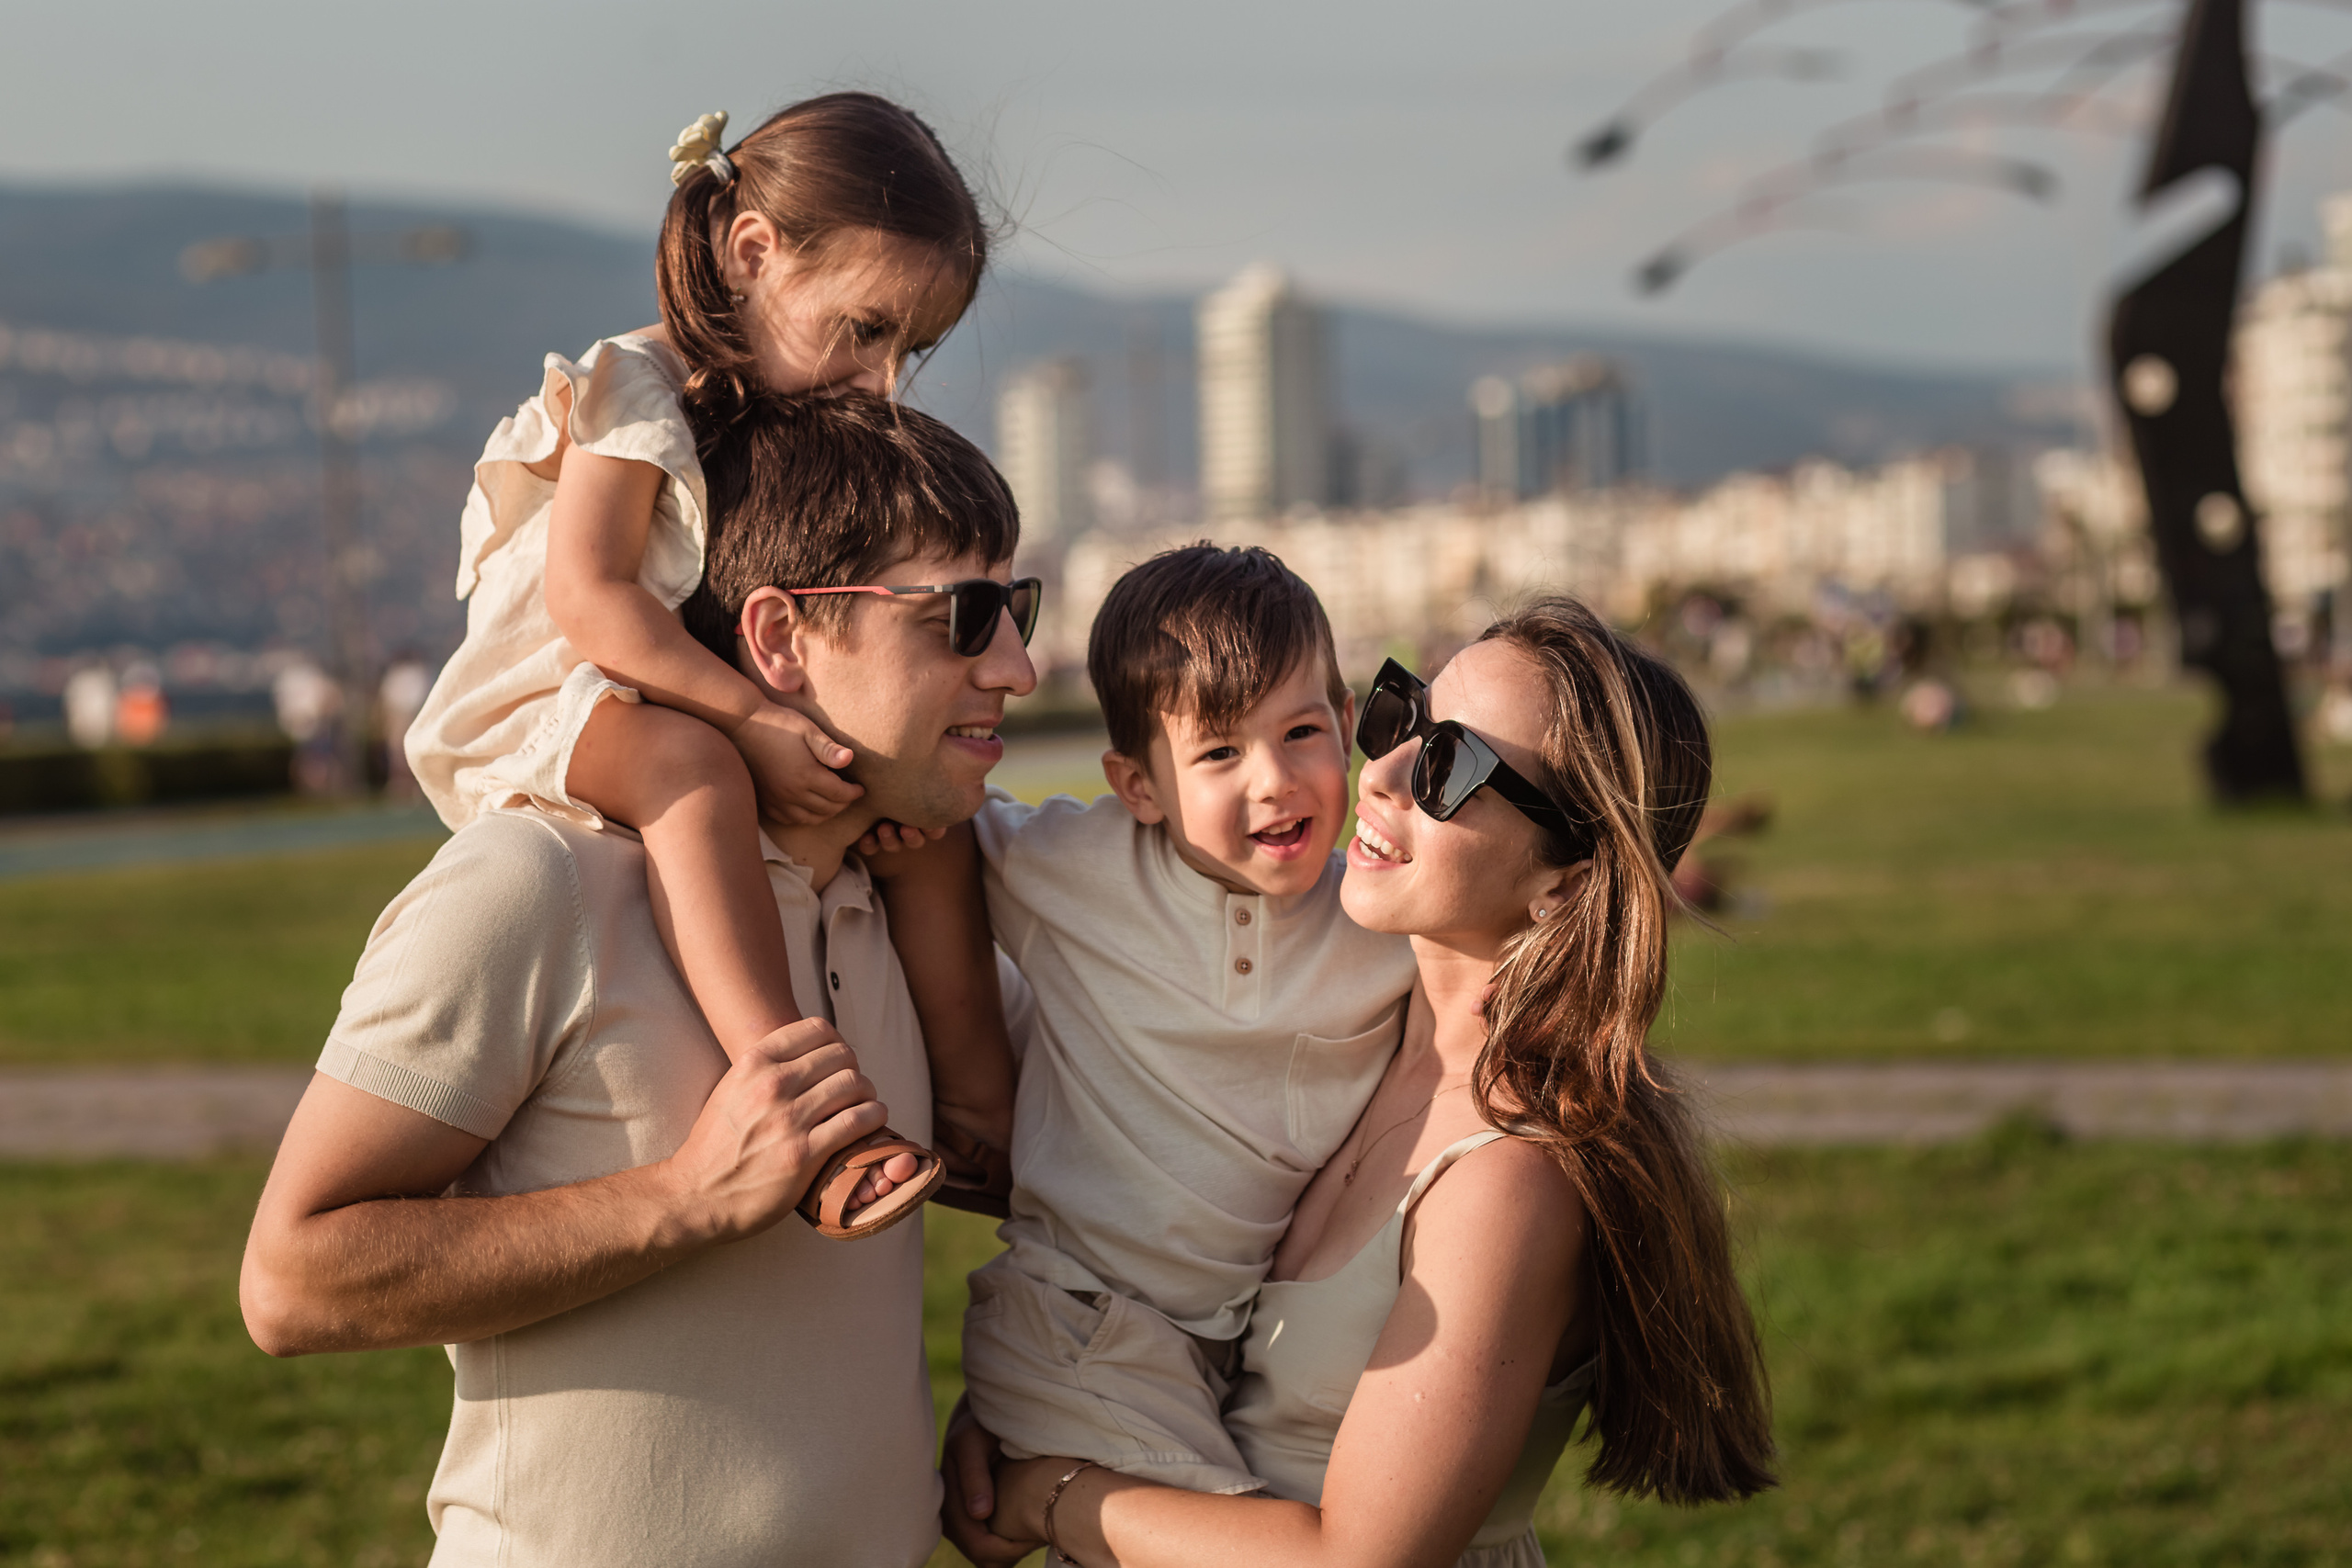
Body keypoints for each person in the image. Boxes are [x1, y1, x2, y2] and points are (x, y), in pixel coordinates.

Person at [240, 391, 1037, 1568]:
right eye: (965, 618)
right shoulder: (538, 883)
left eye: (1017, 609)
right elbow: (291, 1281)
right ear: (779, 641)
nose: (1017, 667)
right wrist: (682, 1198)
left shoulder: (905, 917)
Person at [949, 598, 1777, 1568]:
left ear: (1567, 877)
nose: (1376, 774)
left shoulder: (1511, 1175)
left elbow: (1355, 1561)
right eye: (1403, 717)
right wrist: (1048, 1394)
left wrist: (1054, 1494)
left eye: (1447, 766)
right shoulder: (1354, 1035)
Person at [401, 94, 1009, 1235]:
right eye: (866, 327)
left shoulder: (771, 411)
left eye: (910, 349)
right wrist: (754, 721)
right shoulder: (636, 380)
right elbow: (591, 599)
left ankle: (982, 1114)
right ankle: (800, 1099)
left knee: (922, 831)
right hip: (551, 695)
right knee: (693, 774)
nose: (881, 379)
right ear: (751, 252)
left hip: (653, 684)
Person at [872, 544, 1419, 1500]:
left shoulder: (1378, 920)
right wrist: (886, 821)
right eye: (1218, 752)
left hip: (1241, 1339)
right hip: (1080, 1316)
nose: (1273, 781)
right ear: (1137, 789)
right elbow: (937, 823)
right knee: (1223, 1540)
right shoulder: (1079, 867)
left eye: (1300, 732)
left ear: (1345, 726)